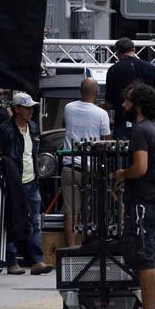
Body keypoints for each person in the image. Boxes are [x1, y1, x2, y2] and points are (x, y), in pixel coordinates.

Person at [114, 84, 155, 309]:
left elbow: (140, 167)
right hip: (154, 202)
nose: (124, 106)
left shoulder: (139, 131)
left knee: (145, 258)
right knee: (150, 254)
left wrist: (121, 174)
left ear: (137, 105)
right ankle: (151, 303)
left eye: (127, 102)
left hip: (142, 205)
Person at [0, 92, 53, 275]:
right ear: (17, 109)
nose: (30, 112)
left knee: (34, 220)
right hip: (12, 182)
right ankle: (11, 261)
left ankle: (37, 260)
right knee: (11, 219)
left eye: (31, 108)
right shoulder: (5, 130)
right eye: (27, 108)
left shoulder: (33, 128)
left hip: (31, 180)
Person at [62, 79, 111, 246]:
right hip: (92, 168)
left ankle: (71, 248)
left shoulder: (68, 108)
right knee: (94, 208)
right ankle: (91, 245)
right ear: (97, 93)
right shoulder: (101, 114)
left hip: (70, 166)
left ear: (80, 91)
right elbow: (106, 140)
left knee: (71, 212)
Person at [105, 37, 155, 139]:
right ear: (133, 50)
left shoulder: (113, 70)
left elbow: (109, 100)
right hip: (149, 121)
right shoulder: (150, 67)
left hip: (123, 122)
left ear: (117, 53)